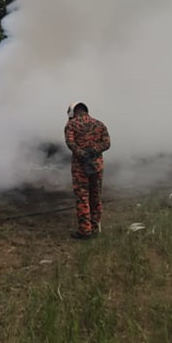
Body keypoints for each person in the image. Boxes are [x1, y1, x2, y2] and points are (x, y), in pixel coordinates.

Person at [64, 101, 111, 239]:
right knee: (95, 196)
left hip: (80, 167)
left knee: (82, 197)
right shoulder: (99, 124)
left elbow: (70, 143)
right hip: (97, 165)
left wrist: (82, 153)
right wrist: (93, 151)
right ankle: (96, 228)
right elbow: (107, 144)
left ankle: (85, 231)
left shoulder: (71, 125)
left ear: (72, 112)